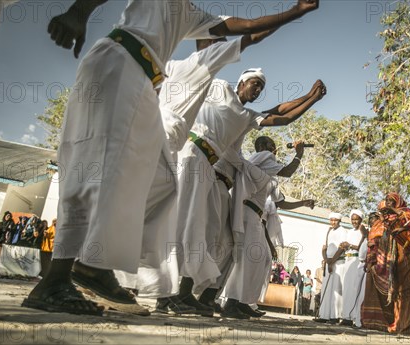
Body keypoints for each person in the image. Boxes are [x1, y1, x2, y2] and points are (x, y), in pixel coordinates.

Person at [23, 0, 321, 316]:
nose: (216, 40)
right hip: (122, 68)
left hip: (139, 89)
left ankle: (87, 268)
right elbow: (248, 34)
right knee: (91, 173)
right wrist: (78, 12)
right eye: (254, 83)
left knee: (153, 185)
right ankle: (86, 270)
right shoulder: (206, 76)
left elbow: (246, 33)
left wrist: (295, 16)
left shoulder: (194, 32)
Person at [162, 71, 325, 316]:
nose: (257, 89)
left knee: (209, 238)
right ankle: (168, 294)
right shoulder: (221, 93)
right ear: (240, 83)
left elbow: (280, 114)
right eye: (254, 83)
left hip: (216, 181)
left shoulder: (245, 116)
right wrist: (310, 98)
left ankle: (189, 294)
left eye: (261, 86)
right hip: (198, 166)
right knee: (188, 229)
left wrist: (310, 97)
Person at [220, 137, 315, 319]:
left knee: (262, 260)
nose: (274, 149)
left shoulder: (268, 174)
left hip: (255, 216)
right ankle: (232, 302)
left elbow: (281, 203)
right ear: (262, 147)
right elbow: (287, 172)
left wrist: (303, 202)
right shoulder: (263, 156)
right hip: (247, 213)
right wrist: (299, 154)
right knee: (247, 260)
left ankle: (243, 301)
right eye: (271, 145)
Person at [316, 212, 351, 324]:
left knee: (336, 289)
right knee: (326, 288)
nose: (333, 222)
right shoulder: (329, 231)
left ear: (339, 221)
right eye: (331, 220)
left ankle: (335, 316)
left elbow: (341, 248)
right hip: (329, 261)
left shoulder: (343, 231)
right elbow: (324, 247)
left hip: (338, 262)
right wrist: (327, 260)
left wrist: (332, 261)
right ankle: (324, 315)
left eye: (335, 220)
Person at [340, 209, 368, 327]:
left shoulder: (364, 231)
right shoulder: (349, 232)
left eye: (357, 219)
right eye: (353, 219)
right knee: (346, 289)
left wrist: (350, 245)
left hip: (357, 261)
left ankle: (354, 316)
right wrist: (344, 246)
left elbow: (362, 247)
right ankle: (346, 316)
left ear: (361, 220)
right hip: (348, 259)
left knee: (354, 289)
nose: (354, 221)